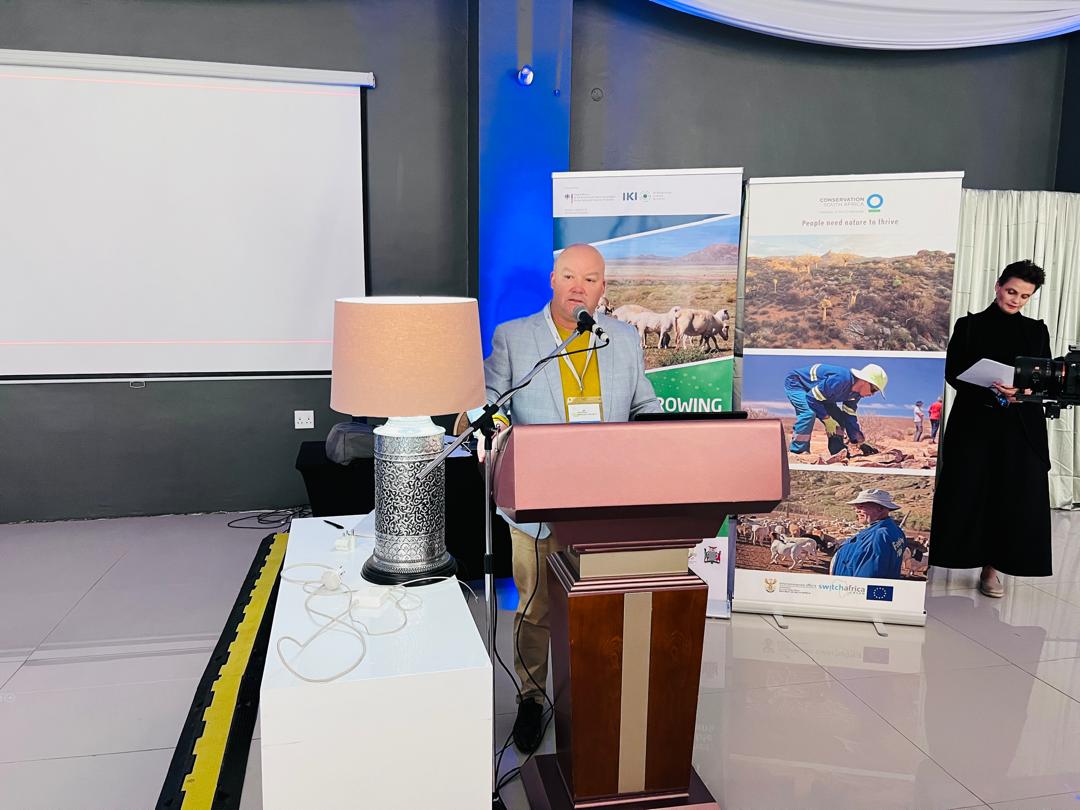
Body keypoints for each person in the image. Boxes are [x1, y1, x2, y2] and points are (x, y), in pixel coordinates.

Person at [481, 243, 662, 753]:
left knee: (601, 608)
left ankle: (594, 694)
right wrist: (494, 425)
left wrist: (660, 432)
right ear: (552, 280)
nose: (578, 288)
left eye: (590, 279)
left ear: (603, 288)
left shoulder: (623, 337)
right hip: (537, 502)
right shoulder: (514, 336)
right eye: (568, 276)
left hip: (606, 504)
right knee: (535, 609)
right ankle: (532, 698)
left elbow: (643, 401)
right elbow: (492, 401)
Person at [930, 260, 1052, 597]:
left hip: (1021, 425)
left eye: (1024, 296)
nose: (1016, 300)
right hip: (975, 422)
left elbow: (1045, 378)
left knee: (1011, 494)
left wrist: (1022, 390)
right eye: (1012, 291)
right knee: (969, 489)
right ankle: (953, 558)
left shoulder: (1036, 331)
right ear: (998, 286)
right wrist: (993, 390)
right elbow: (953, 373)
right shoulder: (969, 326)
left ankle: (992, 570)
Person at [783, 362, 889, 455]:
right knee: (809, 413)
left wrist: (859, 441)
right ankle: (798, 452)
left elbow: (849, 416)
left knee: (838, 418)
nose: (872, 394)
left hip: (819, 393)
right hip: (798, 384)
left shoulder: (856, 395)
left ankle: (838, 451)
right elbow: (811, 398)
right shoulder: (840, 379)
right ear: (865, 381)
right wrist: (827, 419)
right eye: (874, 390)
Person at [830, 489, 907, 579]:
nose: (857, 510)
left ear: (880, 509)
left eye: (861, 506)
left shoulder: (877, 537)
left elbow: (867, 579)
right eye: (856, 507)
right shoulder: (896, 531)